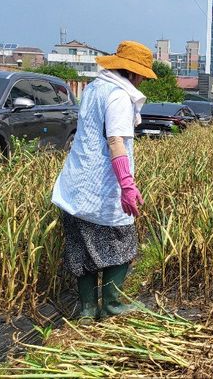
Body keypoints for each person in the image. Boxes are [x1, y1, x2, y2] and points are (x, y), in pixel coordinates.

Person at [51, 40, 156, 324]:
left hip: (74, 186)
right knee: (122, 244)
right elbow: (115, 141)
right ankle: (110, 305)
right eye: (143, 75)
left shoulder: (95, 88)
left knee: (81, 250)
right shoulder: (119, 97)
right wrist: (127, 184)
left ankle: (86, 311)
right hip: (100, 187)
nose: (144, 79)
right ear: (133, 73)